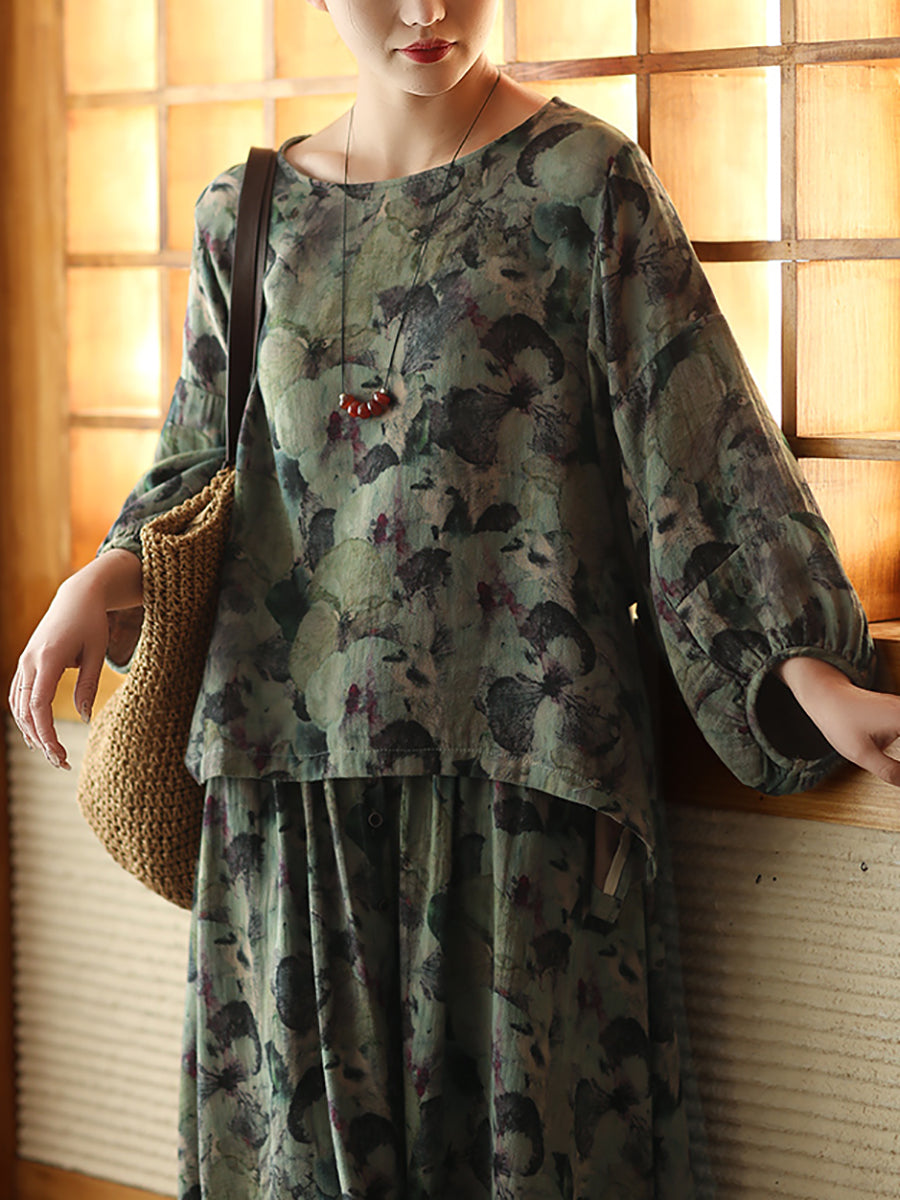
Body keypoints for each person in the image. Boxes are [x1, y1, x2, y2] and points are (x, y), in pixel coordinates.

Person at [10, 1, 900, 1195]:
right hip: (288, 804)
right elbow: (199, 467)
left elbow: (697, 458)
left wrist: (810, 676)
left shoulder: (587, 188)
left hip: (522, 793)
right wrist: (103, 574)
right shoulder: (248, 214)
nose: (427, 9)